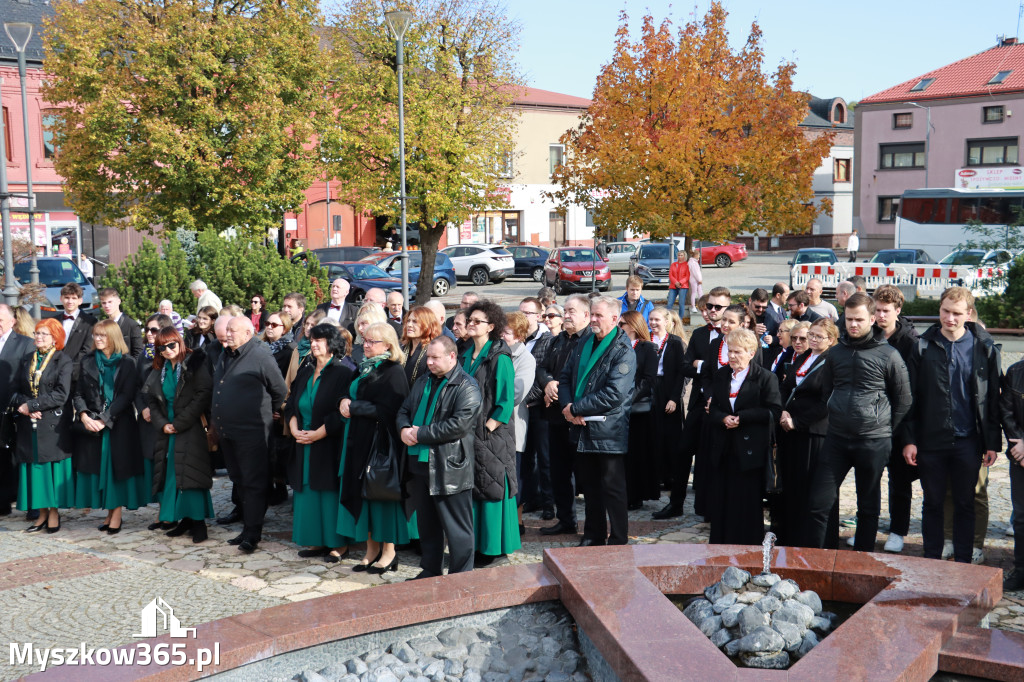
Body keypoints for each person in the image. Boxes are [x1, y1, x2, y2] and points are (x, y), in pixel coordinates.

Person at [805, 293, 911, 552]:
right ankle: (817, 560)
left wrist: (884, 428)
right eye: (849, 319)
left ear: (872, 319)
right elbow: (827, 391)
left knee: (868, 507)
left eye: (859, 319)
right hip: (837, 438)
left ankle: (862, 561)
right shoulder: (835, 353)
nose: (853, 324)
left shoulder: (889, 355)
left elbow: (904, 399)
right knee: (818, 503)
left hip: (873, 440)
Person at [902, 287, 1001, 564]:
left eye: (956, 313)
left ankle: (964, 562)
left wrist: (992, 442)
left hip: (969, 440)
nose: (949, 318)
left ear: (968, 314)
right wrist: (909, 439)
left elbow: (992, 399)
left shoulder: (984, 348)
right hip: (931, 440)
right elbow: (910, 397)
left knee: (965, 502)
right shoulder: (922, 346)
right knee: (932, 502)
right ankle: (932, 559)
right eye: (945, 311)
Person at [398, 336, 482, 578]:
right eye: (428, 357)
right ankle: (430, 570)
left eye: (435, 358)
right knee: (427, 526)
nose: (429, 362)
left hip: (449, 466)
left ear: (452, 356)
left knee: (458, 529)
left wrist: (419, 433)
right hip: (420, 464)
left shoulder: (467, 386)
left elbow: (459, 425)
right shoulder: (423, 380)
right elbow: (404, 410)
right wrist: (403, 428)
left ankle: (461, 577)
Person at [557, 295, 635, 546]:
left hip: (607, 429)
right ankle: (593, 534)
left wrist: (575, 408)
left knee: (613, 488)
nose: (592, 319)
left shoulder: (623, 350)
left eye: (598, 315)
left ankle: (619, 538)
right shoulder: (585, 341)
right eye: (591, 314)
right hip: (581, 425)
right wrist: (568, 407)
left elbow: (614, 394)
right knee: (590, 486)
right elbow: (566, 376)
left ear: (614, 318)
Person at [338, 323, 410, 573]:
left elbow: (391, 410)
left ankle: (389, 552)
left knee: (381, 496)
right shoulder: (364, 367)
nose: (365, 345)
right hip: (358, 440)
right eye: (364, 340)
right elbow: (350, 392)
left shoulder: (393, 371)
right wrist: (343, 400)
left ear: (387, 345)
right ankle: (371, 550)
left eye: (372, 341)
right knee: (363, 495)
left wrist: (354, 407)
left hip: (380, 445)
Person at [212, 317, 288, 553]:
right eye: (227, 330)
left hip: (252, 433)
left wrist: (263, 412)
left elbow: (279, 390)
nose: (228, 334)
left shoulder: (260, 355)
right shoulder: (227, 354)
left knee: (255, 483)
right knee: (240, 480)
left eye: (233, 330)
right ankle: (246, 527)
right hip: (229, 432)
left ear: (248, 333)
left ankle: (253, 534)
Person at [706, 328, 782, 545]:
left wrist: (743, 418)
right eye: (730, 351)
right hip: (724, 446)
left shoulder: (765, 377)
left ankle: (747, 546)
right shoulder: (721, 375)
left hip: (750, 450)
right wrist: (723, 418)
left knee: (746, 501)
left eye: (737, 352)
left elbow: (774, 411)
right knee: (722, 499)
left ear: (751, 353)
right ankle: (720, 544)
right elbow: (713, 408)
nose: (732, 356)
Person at [285, 323, 354, 562]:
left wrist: (319, 434)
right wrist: (294, 428)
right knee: (307, 493)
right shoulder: (305, 370)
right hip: (302, 441)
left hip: (327, 444)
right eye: (312, 340)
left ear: (331, 344)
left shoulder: (343, 373)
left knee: (327, 494)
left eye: (319, 340)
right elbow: (292, 403)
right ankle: (315, 540)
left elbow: (342, 413)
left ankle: (337, 545)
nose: (314, 344)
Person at [461, 300, 520, 564]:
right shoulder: (465, 354)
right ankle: (476, 546)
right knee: (474, 488)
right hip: (467, 434)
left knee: (493, 487)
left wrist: (487, 429)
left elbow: (505, 402)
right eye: (469, 320)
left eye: (477, 321)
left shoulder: (500, 357)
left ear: (491, 326)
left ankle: (495, 549)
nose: (471, 324)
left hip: (491, 435)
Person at [144, 326, 215, 543]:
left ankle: (199, 523)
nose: (167, 350)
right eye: (162, 347)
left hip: (190, 428)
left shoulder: (195, 362)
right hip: (168, 431)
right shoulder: (159, 369)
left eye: (171, 345)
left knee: (191, 473)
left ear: (179, 342)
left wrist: (179, 423)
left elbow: (203, 394)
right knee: (172, 475)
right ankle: (184, 519)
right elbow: (152, 400)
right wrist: (163, 424)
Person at [72, 319, 143, 534]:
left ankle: (117, 514)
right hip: (93, 424)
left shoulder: (127, 362)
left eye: (102, 335)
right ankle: (109, 512)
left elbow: (126, 396)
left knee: (117, 470)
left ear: (113, 337)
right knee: (100, 470)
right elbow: (78, 393)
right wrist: (84, 415)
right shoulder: (87, 361)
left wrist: (105, 419)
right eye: (96, 335)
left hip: (119, 424)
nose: (98, 339)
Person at [776, 319, 839, 548]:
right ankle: (792, 535)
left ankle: (813, 540)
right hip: (791, 430)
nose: (812, 339)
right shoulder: (802, 357)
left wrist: (798, 422)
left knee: (812, 489)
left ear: (831, 340)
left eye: (818, 336)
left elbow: (827, 401)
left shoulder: (832, 362)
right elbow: (785, 387)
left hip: (814, 433)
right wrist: (783, 412)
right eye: (811, 334)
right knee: (793, 486)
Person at [871, 284, 920, 554]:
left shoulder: (910, 342)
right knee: (869, 477)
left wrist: (909, 433)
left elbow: (914, 388)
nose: (880, 315)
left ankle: (898, 531)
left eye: (885, 311)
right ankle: (868, 527)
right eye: (877, 310)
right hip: (872, 419)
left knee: (899, 480)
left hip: (900, 421)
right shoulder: (869, 335)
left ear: (898, 311)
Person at [13, 318, 73, 533]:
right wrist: (25, 406)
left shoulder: (63, 360)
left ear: (55, 338)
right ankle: (41, 514)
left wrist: (33, 405)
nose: (38, 337)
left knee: (50, 470)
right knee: (36, 470)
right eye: (37, 333)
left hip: (52, 424)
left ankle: (54, 513)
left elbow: (61, 394)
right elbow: (16, 389)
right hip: (29, 423)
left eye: (43, 334)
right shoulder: (27, 359)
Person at [538, 294, 590, 537]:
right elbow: (543, 368)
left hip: (580, 416)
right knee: (559, 471)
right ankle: (566, 520)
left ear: (586, 315)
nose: (566, 315)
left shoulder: (590, 341)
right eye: (565, 311)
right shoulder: (557, 340)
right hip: (556, 416)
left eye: (571, 311)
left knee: (586, 474)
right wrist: (548, 383)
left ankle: (593, 526)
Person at [678, 288, 730, 519]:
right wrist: (703, 366)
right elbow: (685, 366)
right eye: (710, 306)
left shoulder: (735, 337)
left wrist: (702, 364)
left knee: (711, 456)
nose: (713, 310)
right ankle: (676, 503)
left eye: (718, 307)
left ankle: (709, 506)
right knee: (683, 450)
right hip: (699, 400)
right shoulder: (699, 334)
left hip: (722, 404)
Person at [647, 306, 686, 517]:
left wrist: (674, 397)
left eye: (657, 320)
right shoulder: (646, 340)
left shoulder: (675, 342)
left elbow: (681, 373)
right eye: (651, 319)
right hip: (650, 388)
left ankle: (671, 476)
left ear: (666, 321)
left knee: (670, 435)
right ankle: (656, 476)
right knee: (652, 433)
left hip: (668, 389)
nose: (653, 323)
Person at [618, 311, 657, 510]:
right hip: (618, 409)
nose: (618, 327)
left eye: (622, 324)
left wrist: (627, 399)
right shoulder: (617, 346)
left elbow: (649, 380)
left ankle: (635, 495)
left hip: (637, 409)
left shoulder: (647, 348)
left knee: (637, 453)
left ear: (633, 326)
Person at [519, 297, 554, 519]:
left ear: (539, 316)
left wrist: (527, 397)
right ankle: (529, 499)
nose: (523, 317)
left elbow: (545, 374)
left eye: (528, 313)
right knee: (524, 457)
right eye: (520, 312)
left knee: (544, 458)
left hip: (541, 408)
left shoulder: (548, 340)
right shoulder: (515, 338)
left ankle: (549, 504)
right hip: (521, 408)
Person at [136, 314, 173, 521]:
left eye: (154, 330)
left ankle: (170, 511)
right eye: (148, 330)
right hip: (147, 418)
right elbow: (137, 386)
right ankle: (161, 510)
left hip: (164, 417)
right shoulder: (143, 355)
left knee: (167, 464)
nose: (149, 334)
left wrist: (155, 410)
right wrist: (142, 408)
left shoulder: (170, 352)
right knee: (153, 464)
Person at [502, 312, 537, 532]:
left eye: (506, 332)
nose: (502, 336)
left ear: (519, 335)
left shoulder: (525, 359)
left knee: (513, 476)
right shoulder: (497, 352)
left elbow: (516, 394)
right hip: (494, 428)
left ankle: (514, 523)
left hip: (513, 427)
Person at [0, 305, 34, 515]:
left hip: (17, 409)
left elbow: (29, 379)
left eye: (0, 319)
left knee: (22, 457)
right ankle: (3, 503)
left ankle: (30, 504)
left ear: (12, 321)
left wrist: (24, 403)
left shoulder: (25, 343)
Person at [1001, 355, 1024, 590]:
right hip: (1021, 456)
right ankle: (1021, 570)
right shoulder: (1015, 371)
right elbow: (1006, 412)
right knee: (1021, 517)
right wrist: (1021, 446)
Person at [60, 283, 97, 384]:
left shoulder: (90, 322)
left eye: (74, 298)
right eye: (67, 298)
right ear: (61, 299)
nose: (70, 301)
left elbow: (87, 349)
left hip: (78, 373)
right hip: (56, 372)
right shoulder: (54, 320)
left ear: (80, 301)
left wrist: (69, 368)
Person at [98, 288, 144, 359]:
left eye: (110, 302)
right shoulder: (102, 325)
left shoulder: (131, 325)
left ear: (118, 301)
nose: (107, 305)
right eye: (104, 303)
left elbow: (138, 354)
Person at [402, 306, 442, 386]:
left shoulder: (432, 351)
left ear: (427, 325)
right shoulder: (402, 347)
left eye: (415, 321)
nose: (409, 325)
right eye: (408, 321)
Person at [263, 311, 296, 379]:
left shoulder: (290, 350)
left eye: (274, 325)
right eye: (267, 323)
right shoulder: (261, 345)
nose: (269, 327)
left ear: (284, 329)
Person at [667, 250, 690, 317]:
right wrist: (675, 282)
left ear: (684, 256)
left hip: (683, 286)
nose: (680, 257)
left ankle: (680, 319)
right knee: (669, 303)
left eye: (681, 255)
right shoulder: (673, 264)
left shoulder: (687, 265)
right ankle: (667, 318)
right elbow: (670, 275)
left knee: (681, 304)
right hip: (673, 286)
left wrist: (680, 282)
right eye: (679, 255)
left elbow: (687, 276)